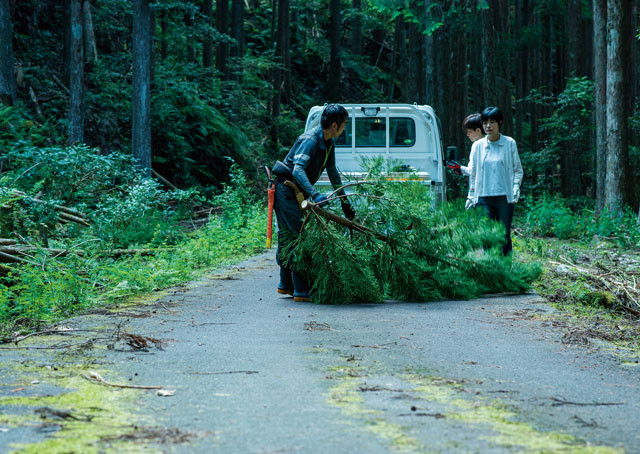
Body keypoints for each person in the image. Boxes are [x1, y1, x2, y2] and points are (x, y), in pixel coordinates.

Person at [271, 104, 356, 302]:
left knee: (290, 235)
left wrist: (345, 203)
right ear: (335, 125)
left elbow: (333, 172)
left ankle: (286, 285)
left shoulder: (328, 143)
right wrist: (315, 194)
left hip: (297, 193)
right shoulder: (310, 140)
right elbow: (298, 170)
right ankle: (301, 290)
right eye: (344, 125)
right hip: (286, 192)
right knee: (297, 237)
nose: (344, 129)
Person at [466, 106, 523, 255]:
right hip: (483, 197)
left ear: (500, 122)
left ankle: (506, 269)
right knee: (488, 235)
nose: (488, 126)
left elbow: (517, 169)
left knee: (504, 234)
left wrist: (516, 186)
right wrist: (471, 196)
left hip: (504, 197)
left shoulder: (509, 143)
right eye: (485, 123)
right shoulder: (477, 146)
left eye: (492, 122)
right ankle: (490, 269)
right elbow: (473, 173)